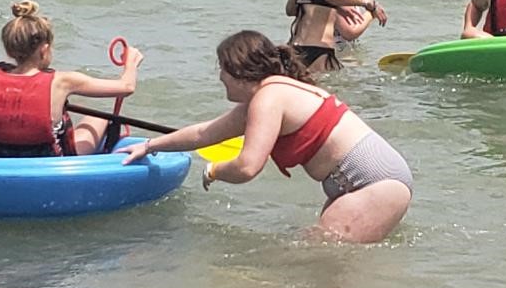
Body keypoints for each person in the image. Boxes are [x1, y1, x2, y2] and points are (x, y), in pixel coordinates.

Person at [122, 31, 412, 244]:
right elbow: (204, 133)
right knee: (320, 275)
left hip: (374, 184)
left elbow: (248, 167)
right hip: (370, 184)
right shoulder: (272, 93)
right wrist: (148, 146)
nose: (219, 76)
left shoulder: (268, 98)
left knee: (315, 270)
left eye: (221, 68)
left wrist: (214, 170)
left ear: (236, 70)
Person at [0, 1, 144, 158]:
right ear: (44, 49)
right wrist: (131, 63)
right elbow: (126, 87)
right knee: (97, 118)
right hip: (48, 161)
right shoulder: (63, 81)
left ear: (9, 51)